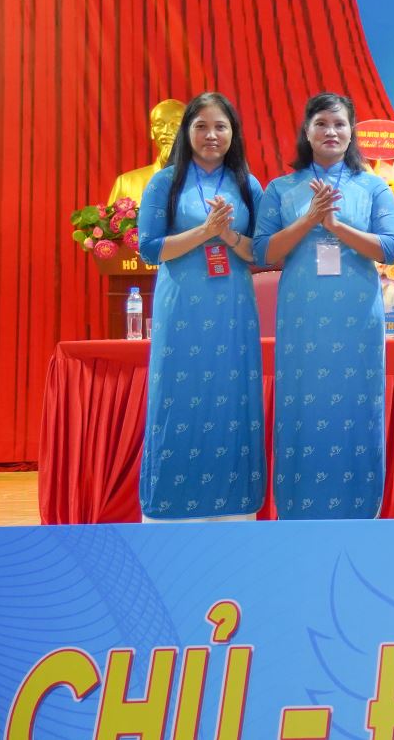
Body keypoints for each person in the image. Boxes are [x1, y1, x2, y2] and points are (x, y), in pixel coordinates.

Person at [254, 93, 394, 519]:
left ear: (352, 131)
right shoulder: (282, 189)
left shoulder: (372, 186)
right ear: (307, 131)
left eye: (339, 124)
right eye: (321, 123)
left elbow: (390, 249)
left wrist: (335, 225)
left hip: (356, 314)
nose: (331, 132)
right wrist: (308, 220)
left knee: (357, 405)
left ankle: (360, 508)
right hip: (303, 314)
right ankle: (298, 509)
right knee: (303, 404)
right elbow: (263, 252)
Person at [136, 91, 265, 520]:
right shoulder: (164, 182)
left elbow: (261, 253)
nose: (212, 135)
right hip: (182, 310)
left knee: (233, 398)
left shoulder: (247, 185)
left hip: (233, 307)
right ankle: (168, 507)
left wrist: (227, 236)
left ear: (233, 133)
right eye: (202, 126)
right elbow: (150, 249)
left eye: (220, 127)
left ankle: (236, 508)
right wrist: (206, 231)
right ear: (186, 132)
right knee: (177, 397)